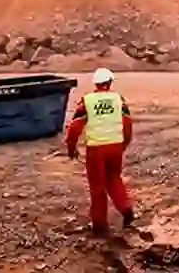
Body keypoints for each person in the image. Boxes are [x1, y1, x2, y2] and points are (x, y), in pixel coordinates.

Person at [65, 67, 135, 237]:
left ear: (96, 83)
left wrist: (71, 148)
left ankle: (100, 225)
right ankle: (126, 210)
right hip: (115, 147)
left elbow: (74, 128)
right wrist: (124, 143)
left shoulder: (87, 102)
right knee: (114, 179)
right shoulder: (119, 100)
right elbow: (127, 124)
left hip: (96, 150)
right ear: (109, 83)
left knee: (97, 187)